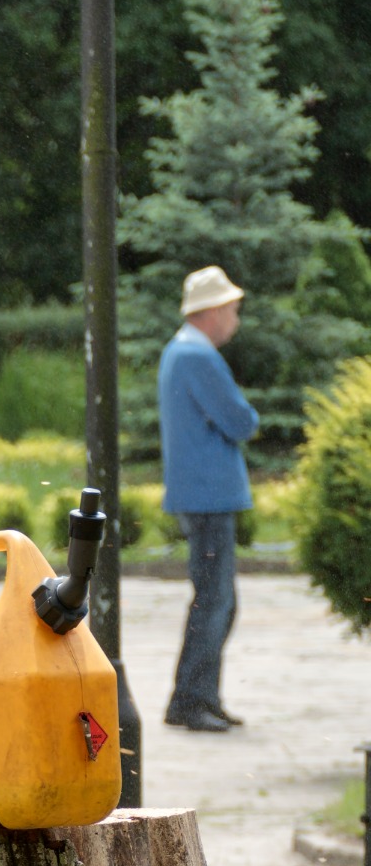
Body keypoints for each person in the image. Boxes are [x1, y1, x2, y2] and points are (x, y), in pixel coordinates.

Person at [158, 264, 260, 732]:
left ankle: (200, 697)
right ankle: (191, 701)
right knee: (214, 600)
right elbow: (241, 421)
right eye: (233, 310)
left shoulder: (180, 352)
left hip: (199, 495)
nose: (236, 319)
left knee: (216, 599)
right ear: (213, 312)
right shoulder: (198, 357)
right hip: (209, 497)